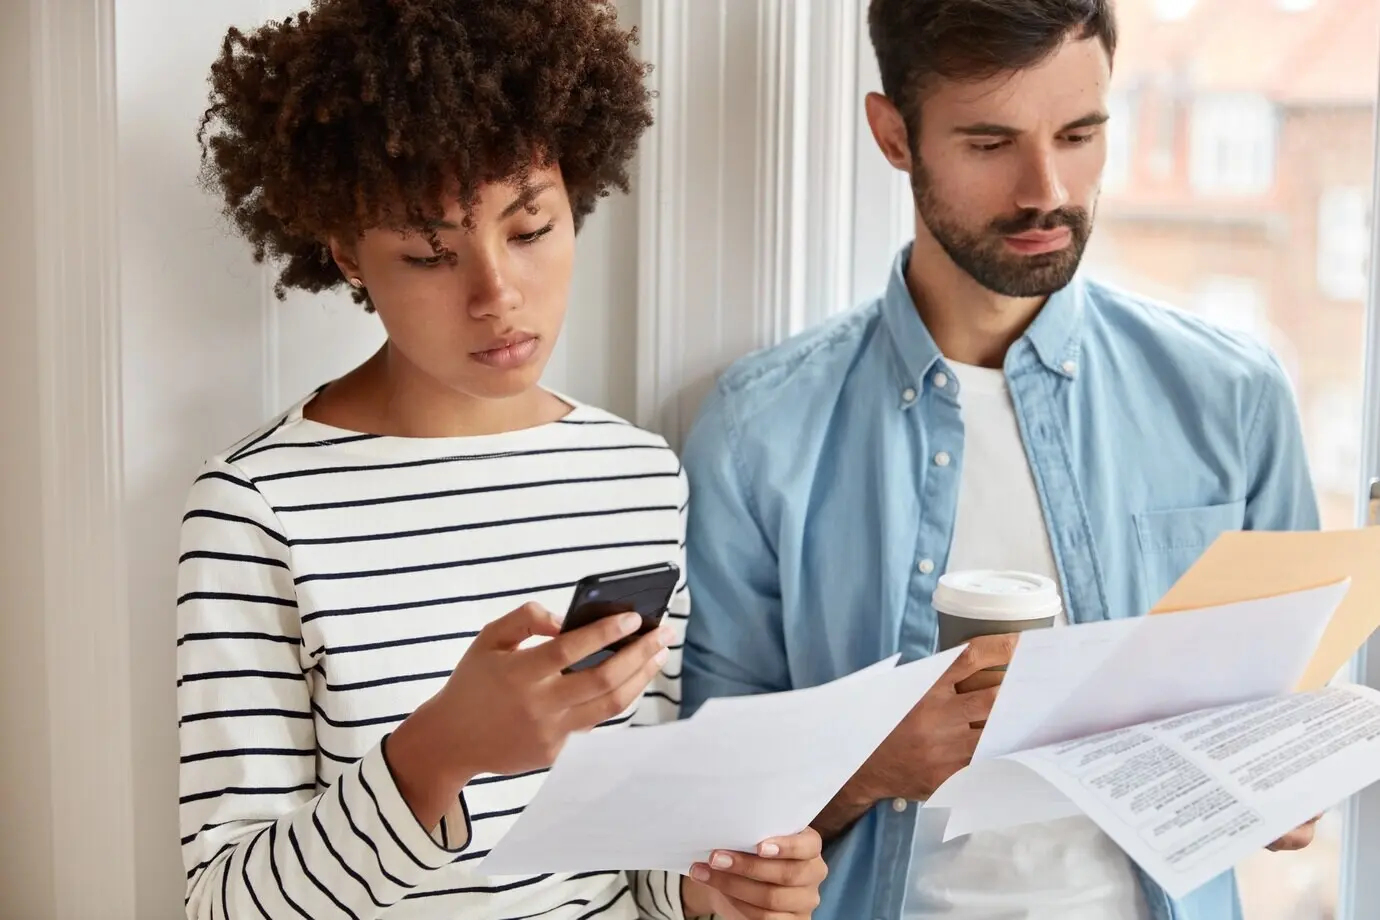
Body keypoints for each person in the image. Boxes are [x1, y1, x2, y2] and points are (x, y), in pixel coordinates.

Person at [175, 3, 828, 919]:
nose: (496, 294)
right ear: (346, 255)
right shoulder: (257, 507)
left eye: (529, 230)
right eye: (427, 253)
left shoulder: (634, 475)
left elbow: (634, 855)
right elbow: (224, 903)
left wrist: (712, 889)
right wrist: (440, 752)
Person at [679, 1, 1319, 919]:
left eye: (1081, 132)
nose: (1046, 189)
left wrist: (1284, 783)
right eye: (990, 143)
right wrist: (874, 764)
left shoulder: (1233, 398)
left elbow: (1294, 724)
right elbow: (707, 808)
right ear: (894, 136)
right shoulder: (760, 431)